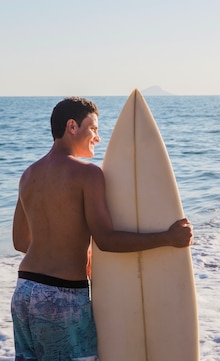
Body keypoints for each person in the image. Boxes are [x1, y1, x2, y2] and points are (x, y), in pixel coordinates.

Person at [11, 97, 193, 361]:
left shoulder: (28, 174)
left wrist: (68, 250)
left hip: (25, 291)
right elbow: (106, 239)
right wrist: (168, 238)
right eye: (93, 128)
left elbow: (20, 241)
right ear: (72, 126)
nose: (97, 137)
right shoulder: (87, 174)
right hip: (62, 297)